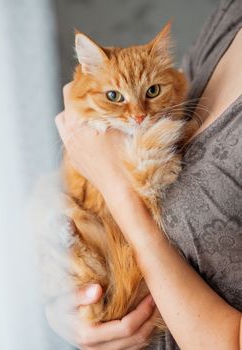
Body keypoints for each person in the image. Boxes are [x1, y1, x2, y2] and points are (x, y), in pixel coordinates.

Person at [46, 0, 242, 348]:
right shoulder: (231, 16)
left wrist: (114, 184)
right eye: (115, 97)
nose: (137, 113)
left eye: (152, 92)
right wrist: (67, 308)